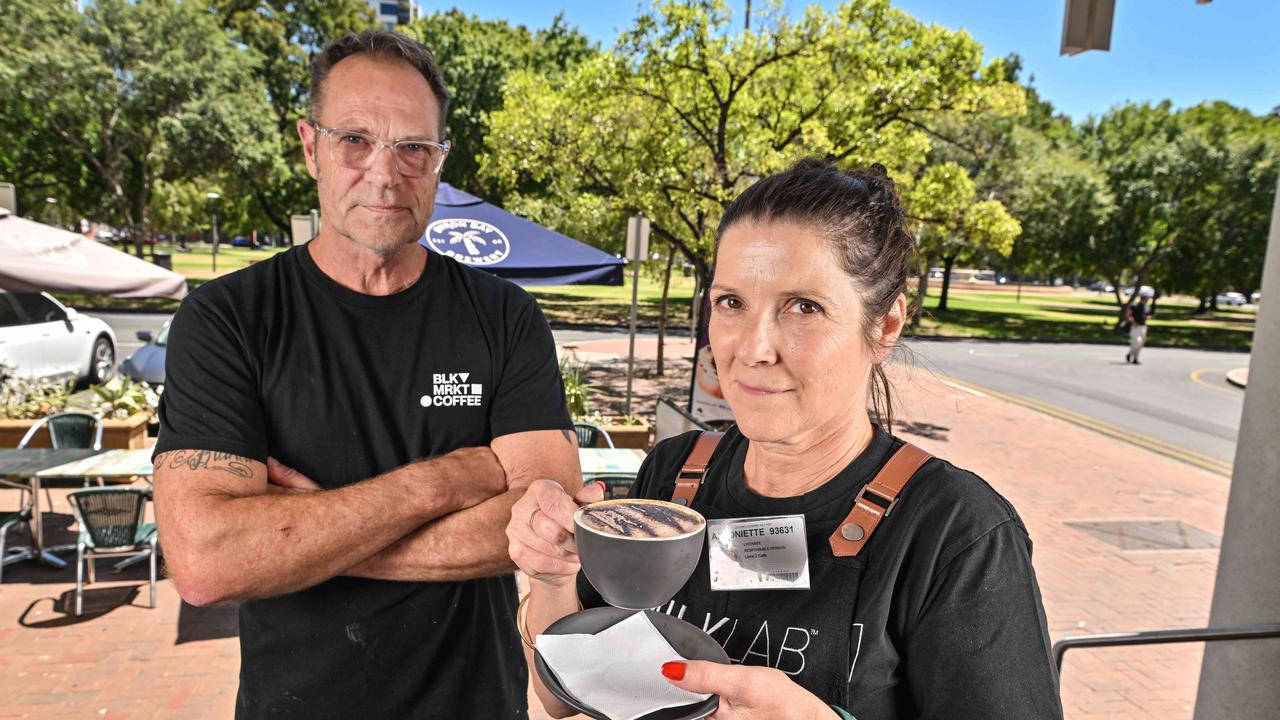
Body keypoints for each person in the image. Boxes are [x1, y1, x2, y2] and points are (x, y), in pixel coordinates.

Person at [508, 160, 1063, 720]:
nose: (754, 348)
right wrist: (551, 576)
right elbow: (564, 696)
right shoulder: (675, 477)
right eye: (731, 303)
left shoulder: (956, 531)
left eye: (804, 307)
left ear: (885, 326)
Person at [152, 30, 580, 719]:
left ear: (440, 160)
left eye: (414, 148)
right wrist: (444, 479)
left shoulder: (504, 316)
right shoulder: (230, 319)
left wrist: (299, 535)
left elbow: (546, 519)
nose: (385, 175)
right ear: (309, 145)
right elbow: (206, 560)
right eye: (355, 139)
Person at [1125, 294, 1154, 364]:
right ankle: (1130, 354)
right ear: (1142, 299)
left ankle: (1135, 357)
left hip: (1143, 326)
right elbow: (1128, 315)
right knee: (1137, 342)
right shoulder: (1135, 306)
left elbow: (1147, 315)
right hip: (1135, 327)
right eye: (1146, 299)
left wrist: (1149, 317)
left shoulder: (1146, 307)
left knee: (1141, 343)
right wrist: (1133, 321)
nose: (1147, 301)